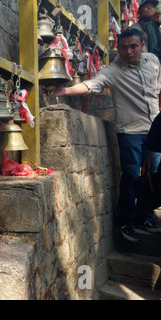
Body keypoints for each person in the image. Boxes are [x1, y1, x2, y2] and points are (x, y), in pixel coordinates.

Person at [45, 28, 161, 242]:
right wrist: (64, 91)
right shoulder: (113, 71)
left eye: (133, 46)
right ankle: (126, 218)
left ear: (142, 45)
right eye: (124, 47)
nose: (128, 51)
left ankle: (145, 215)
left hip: (155, 129)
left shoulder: (152, 61)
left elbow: (158, 90)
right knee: (131, 175)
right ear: (118, 48)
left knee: (153, 175)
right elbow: (91, 85)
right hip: (130, 132)